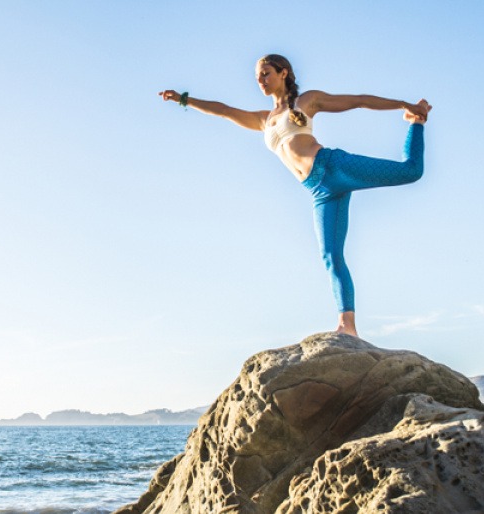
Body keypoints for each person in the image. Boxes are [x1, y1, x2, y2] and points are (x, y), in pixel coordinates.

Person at [159, 53, 431, 338]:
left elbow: (358, 100)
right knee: (331, 256)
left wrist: (405, 105)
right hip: (319, 192)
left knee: (410, 171)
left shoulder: (304, 102)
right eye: (257, 77)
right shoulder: (264, 120)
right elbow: (224, 110)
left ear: (283, 73)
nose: (261, 80)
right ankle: (347, 326)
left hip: (332, 166)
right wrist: (184, 99)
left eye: (266, 73)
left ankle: (416, 122)